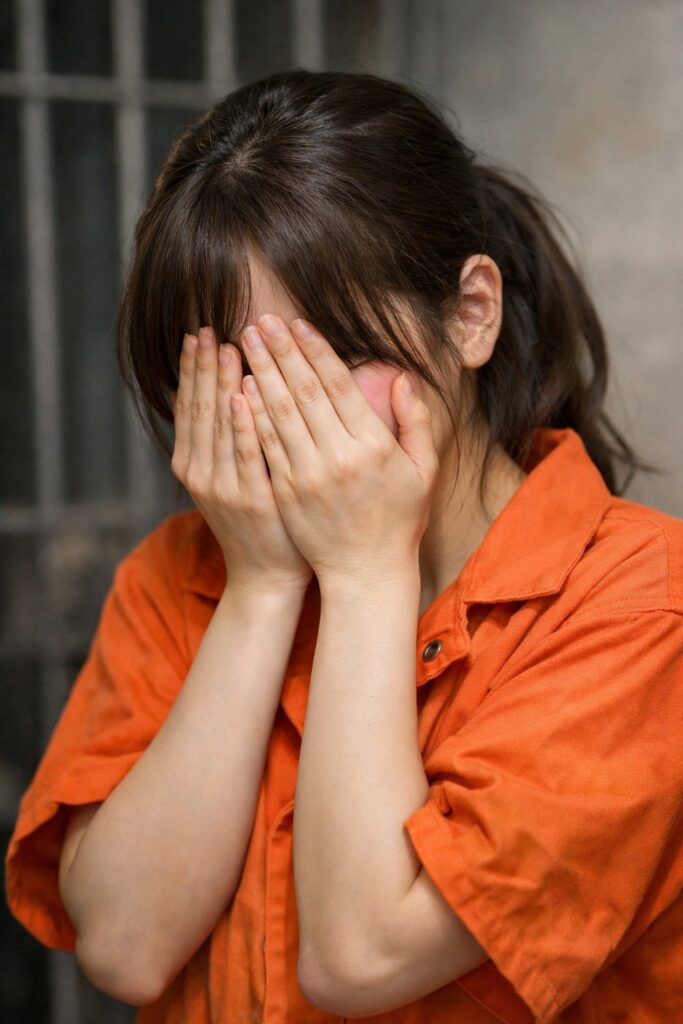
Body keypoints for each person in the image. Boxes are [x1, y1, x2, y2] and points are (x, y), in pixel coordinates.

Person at [5, 68, 683, 1024]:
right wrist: (260, 587)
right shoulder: (174, 576)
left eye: (331, 359)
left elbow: (362, 955)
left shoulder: (642, 605)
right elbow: (123, 944)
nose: (286, 417)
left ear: (471, 313)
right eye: (238, 373)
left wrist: (367, 571)